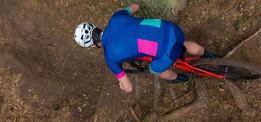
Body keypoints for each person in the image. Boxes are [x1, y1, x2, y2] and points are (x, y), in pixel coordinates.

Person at [74, 3, 218, 93]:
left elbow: (129, 88)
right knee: (183, 44)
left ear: (92, 45)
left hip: (166, 52)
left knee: (155, 69)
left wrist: (122, 86)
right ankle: (208, 54)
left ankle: (179, 78)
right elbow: (135, 6)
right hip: (171, 28)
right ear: (96, 27)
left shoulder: (110, 58)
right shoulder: (116, 17)